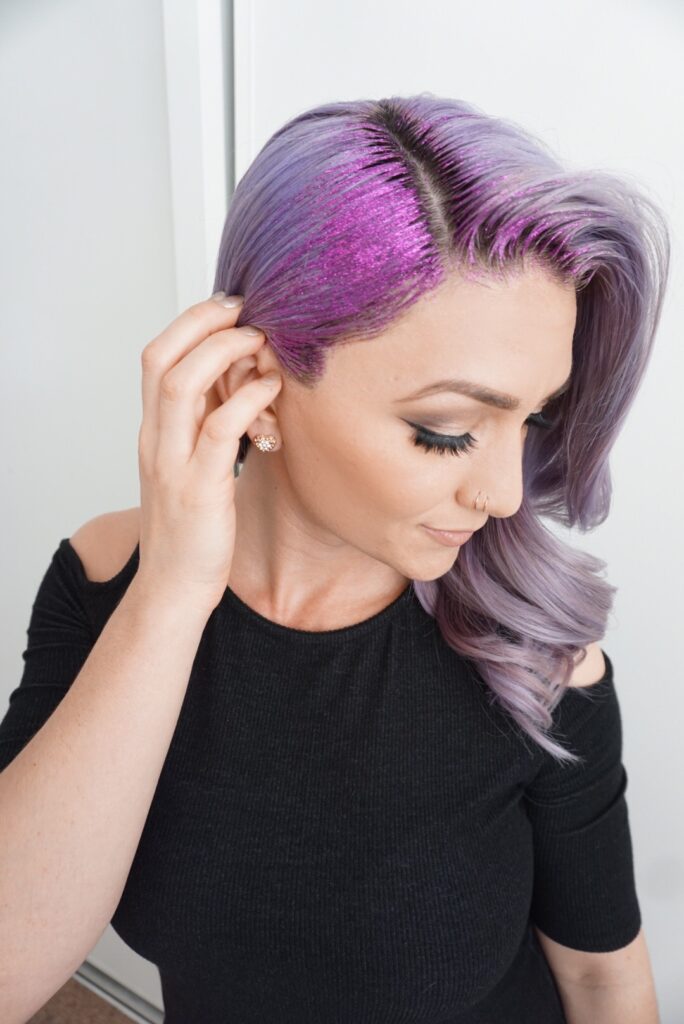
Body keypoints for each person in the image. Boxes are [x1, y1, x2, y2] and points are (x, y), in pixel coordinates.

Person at [0, 94, 668, 1023]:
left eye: (535, 417)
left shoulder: (535, 661)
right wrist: (174, 596)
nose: (509, 495)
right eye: (445, 430)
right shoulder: (107, 582)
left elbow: (602, 980)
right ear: (252, 387)